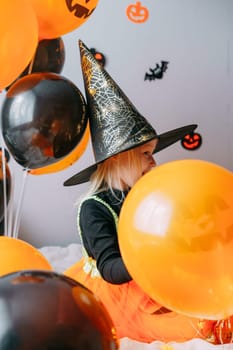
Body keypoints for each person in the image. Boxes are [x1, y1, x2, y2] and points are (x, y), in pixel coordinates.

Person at [63, 40, 232, 345]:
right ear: (118, 159)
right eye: (145, 154)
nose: (154, 161)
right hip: (121, 292)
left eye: (152, 152)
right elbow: (112, 269)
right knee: (196, 326)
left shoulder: (150, 192)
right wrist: (152, 257)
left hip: (159, 277)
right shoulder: (95, 208)